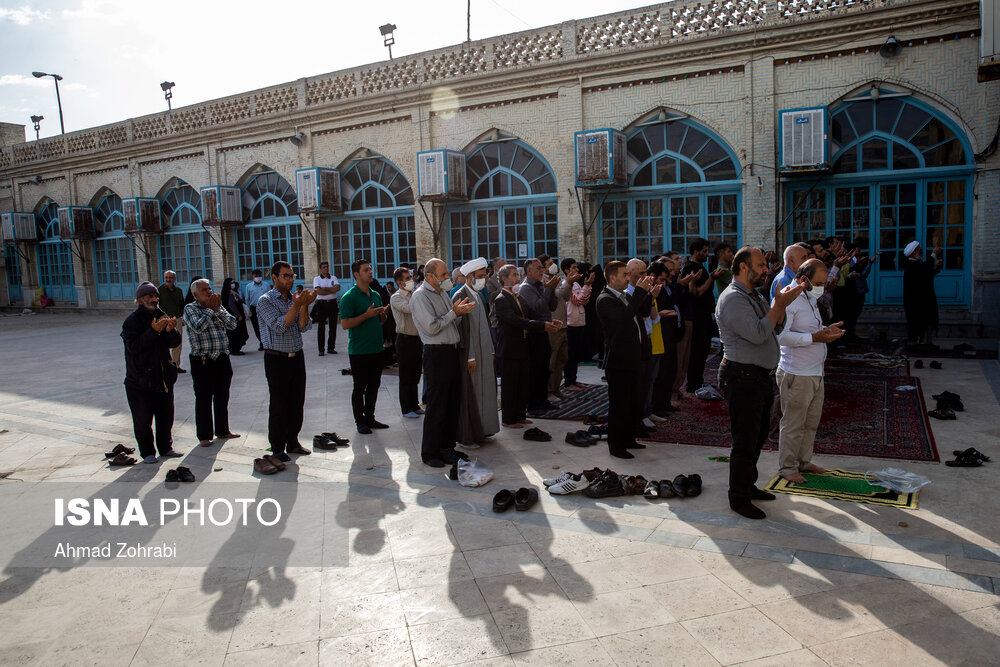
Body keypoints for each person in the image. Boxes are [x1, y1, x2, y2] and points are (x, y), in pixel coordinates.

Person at [716, 247, 804, 519]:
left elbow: (775, 327)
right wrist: (778, 306)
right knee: (744, 440)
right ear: (743, 266)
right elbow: (757, 334)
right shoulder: (732, 299)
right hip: (742, 378)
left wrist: (781, 307)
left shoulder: (752, 294)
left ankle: (747, 485)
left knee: (757, 437)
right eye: (760, 264)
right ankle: (738, 497)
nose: (766, 269)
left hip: (758, 377)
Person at [775, 258, 845, 483]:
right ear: (804, 279)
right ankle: (787, 467)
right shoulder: (789, 298)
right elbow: (781, 336)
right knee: (794, 423)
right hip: (797, 372)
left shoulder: (809, 296)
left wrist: (826, 331)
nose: (822, 288)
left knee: (811, 421)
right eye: (819, 283)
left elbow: (811, 328)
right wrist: (815, 337)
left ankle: (804, 461)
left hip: (815, 371)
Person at [410, 258, 476, 467]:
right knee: (437, 404)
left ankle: (447, 448)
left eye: (447, 274)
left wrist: (459, 312)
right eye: (443, 275)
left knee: (451, 403)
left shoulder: (442, 294)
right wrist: (453, 313)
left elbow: (450, 321)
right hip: (436, 354)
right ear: (429, 276)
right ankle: (430, 452)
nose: (447, 278)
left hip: (451, 352)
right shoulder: (420, 297)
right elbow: (432, 327)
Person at [256, 261, 317, 462]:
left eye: (291, 275)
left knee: (297, 401)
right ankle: (277, 447)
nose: (290, 279)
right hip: (277, 359)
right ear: (274, 278)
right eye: (285, 276)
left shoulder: (294, 299)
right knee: (279, 404)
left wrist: (305, 305)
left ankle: (293, 441)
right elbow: (280, 325)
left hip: (296, 356)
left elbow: (303, 326)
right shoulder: (265, 301)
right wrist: (298, 305)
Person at [596, 261, 655, 459]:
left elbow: (640, 314)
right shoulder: (605, 299)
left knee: (633, 402)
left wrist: (645, 293)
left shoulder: (624, 296)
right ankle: (616, 445)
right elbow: (624, 319)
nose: (627, 279)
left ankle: (629, 438)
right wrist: (638, 292)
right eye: (624, 275)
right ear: (612, 278)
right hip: (618, 361)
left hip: (633, 358)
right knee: (619, 405)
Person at [121, 281, 184, 464]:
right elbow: (133, 347)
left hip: (162, 378)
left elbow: (173, 343)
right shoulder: (132, 322)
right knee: (143, 420)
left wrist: (170, 331)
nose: (154, 299)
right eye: (150, 296)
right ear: (140, 300)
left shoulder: (161, 315)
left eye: (156, 296)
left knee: (165, 417)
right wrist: (153, 331)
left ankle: (166, 448)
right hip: (139, 381)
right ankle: (148, 452)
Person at [495, 264, 562, 428]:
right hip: (509, 348)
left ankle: (519, 415)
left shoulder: (518, 297)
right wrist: (542, 326)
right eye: (513, 276)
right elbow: (517, 321)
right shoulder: (501, 299)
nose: (517, 279)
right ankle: (508, 419)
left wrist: (548, 322)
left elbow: (532, 314)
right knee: (510, 385)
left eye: (517, 276)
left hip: (523, 346)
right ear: (504, 279)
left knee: (522, 383)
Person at [183, 278, 241, 448]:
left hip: (222, 358)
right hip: (202, 360)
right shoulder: (190, 308)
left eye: (209, 288)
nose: (209, 292)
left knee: (222, 396)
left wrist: (217, 310)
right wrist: (210, 310)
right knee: (203, 398)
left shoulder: (217, 305)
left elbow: (232, 324)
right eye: (204, 290)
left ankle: (223, 429)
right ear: (195, 294)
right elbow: (197, 326)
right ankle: (204, 435)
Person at [453, 257, 500, 447]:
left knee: (486, 393)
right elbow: (463, 331)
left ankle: (484, 430)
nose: (483, 279)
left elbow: (484, 326)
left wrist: (490, 350)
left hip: (484, 354)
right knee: (470, 396)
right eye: (480, 276)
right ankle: (469, 436)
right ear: (469, 276)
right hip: (470, 356)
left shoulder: (479, 295)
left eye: (485, 275)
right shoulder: (460, 296)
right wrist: (470, 356)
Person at [340, 258, 389, 434]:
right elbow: (345, 324)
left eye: (370, 269)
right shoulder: (349, 297)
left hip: (377, 348)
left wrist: (382, 315)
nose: (370, 272)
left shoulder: (375, 294)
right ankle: (359, 421)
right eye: (366, 270)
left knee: (374, 385)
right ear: (356, 274)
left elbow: (380, 321)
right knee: (359, 387)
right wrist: (366, 316)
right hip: (359, 350)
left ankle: (370, 417)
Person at [516, 258, 560, 415]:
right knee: (535, 370)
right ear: (529, 271)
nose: (543, 271)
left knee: (544, 369)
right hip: (534, 334)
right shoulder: (526, 288)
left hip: (544, 332)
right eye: (539, 268)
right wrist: (548, 290)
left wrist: (551, 290)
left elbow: (552, 306)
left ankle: (543, 400)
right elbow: (536, 308)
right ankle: (534, 404)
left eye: (542, 268)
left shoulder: (541, 285)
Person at [681, 238, 721, 394]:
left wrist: (712, 277)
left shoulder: (701, 268)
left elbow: (708, 289)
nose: (706, 254)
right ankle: (693, 384)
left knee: (703, 350)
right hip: (696, 317)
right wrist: (711, 277)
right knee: (696, 351)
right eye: (704, 251)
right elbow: (695, 293)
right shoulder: (690, 268)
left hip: (704, 316)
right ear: (696, 252)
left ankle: (698, 380)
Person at [390, 266, 423, 418]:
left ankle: (414, 404)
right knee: (406, 375)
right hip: (405, 339)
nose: (411, 281)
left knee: (415, 373)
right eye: (407, 278)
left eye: (411, 277)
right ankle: (406, 408)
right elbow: (410, 309)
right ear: (399, 282)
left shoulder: (413, 294)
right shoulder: (396, 297)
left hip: (417, 339)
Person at [547, 258, 580, 401]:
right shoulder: (545, 282)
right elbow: (555, 296)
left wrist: (568, 283)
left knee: (561, 359)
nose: (552, 266)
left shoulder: (558, 279)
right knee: (552, 360)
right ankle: (548, 391)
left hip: (562, 323)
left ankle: (556, 389)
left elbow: (565, 297)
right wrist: (567, 282)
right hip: (553, 325)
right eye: (548, 264)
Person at [902, 241, 942, 347]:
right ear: (913, 252)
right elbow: (925, 268)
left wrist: (936, 268)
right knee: (916, 323)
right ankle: (918, 343)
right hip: (915, 302)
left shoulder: (915, 265)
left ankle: (924, 342)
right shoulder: (911, 265)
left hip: (922, 301)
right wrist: (933, 254)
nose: (922, 252)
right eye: (920, 250)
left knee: (925, 321)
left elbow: (925, 276)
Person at [563, 262, 593, 390]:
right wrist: (586, 286)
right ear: (566, 270)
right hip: (571, 323)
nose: (576, 269)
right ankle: (569, 382)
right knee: (570, 355)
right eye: (573, 267)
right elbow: (578, 300)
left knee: (576, 355)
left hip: (580, 322)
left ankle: (574, 380)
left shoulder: (575, 284)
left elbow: (585, 301)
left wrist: (587, 286)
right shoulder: (566, 284)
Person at [158, 270, 187, 373]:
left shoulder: (179, 291)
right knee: (162, 342)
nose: (168, 280)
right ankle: (164, 365)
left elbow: (182, 305)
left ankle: (175, 365)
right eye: (166, 278)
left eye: (170, 278)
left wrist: (182, 319)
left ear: (174, 279)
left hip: (177, 319)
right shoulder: (159, 290)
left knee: (177, 342)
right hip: (163, 319)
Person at [312, 261, 341, 356]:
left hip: (332, 303)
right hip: (321, 305)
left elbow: (337, 288)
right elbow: (318, 291)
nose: (326, 269)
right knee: (321, 327)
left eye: (327, 267)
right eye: (323, 267)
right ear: (320, 269)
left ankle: (331, 348)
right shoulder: (316, 279)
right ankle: (321, 349)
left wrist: (324, 288)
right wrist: (330, 289)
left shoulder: (333, 278)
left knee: (333, 326)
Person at [220, 278, 249, 355]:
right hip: (234, 317)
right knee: (236, 333)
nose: (233, 284)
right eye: (231, 283)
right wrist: (238, 315)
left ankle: (235, 349)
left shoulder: (233, 292)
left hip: (233, 317)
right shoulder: (230, 294)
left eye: (233, 283)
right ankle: (234, 350)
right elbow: (232, 305)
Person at [243, 269, 269, 351]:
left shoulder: (266, 285)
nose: (258, 278)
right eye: (256, 276)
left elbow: (270, 296)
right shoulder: (249, 286)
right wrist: (248, 310)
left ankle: (266, 343)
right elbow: (247, 299)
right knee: (256, 327)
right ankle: (261, 342)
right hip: (254, 308)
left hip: (265, 308)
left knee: (266, 326)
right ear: (253, 276)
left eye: (259, 276)